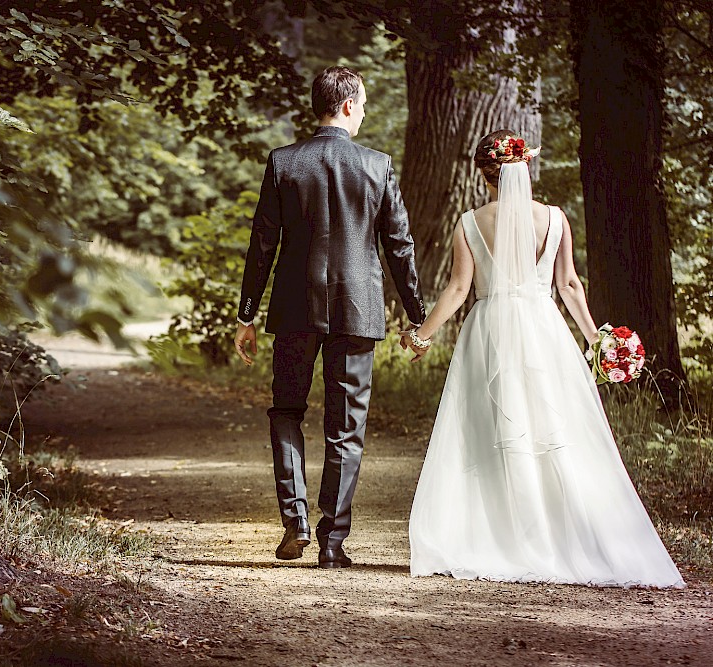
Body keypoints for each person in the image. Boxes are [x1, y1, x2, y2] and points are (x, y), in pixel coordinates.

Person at [404, 129, 684, 588]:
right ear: (525, 167)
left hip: (490, 329)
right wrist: (597, 340)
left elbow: (458, 289)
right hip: (543, 328)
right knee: (551, 427)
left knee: (490, 429)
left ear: (484, 174)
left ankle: (500, 534)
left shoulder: (471, 222)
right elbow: (570, 285)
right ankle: (564, 532)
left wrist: (420, 336)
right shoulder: (555, 219)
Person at [234, 66, 426, 569]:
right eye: (361, 104)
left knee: (286, 411)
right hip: (357, 309)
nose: (363, 112)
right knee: (346, 427)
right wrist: (416, 315)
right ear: (345, 105)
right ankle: (331, 541)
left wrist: (246, 314)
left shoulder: (283, 162)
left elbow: (262, 245)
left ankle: (294, 520)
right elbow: (399, 246)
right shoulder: (377, 165)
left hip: (294, 306)